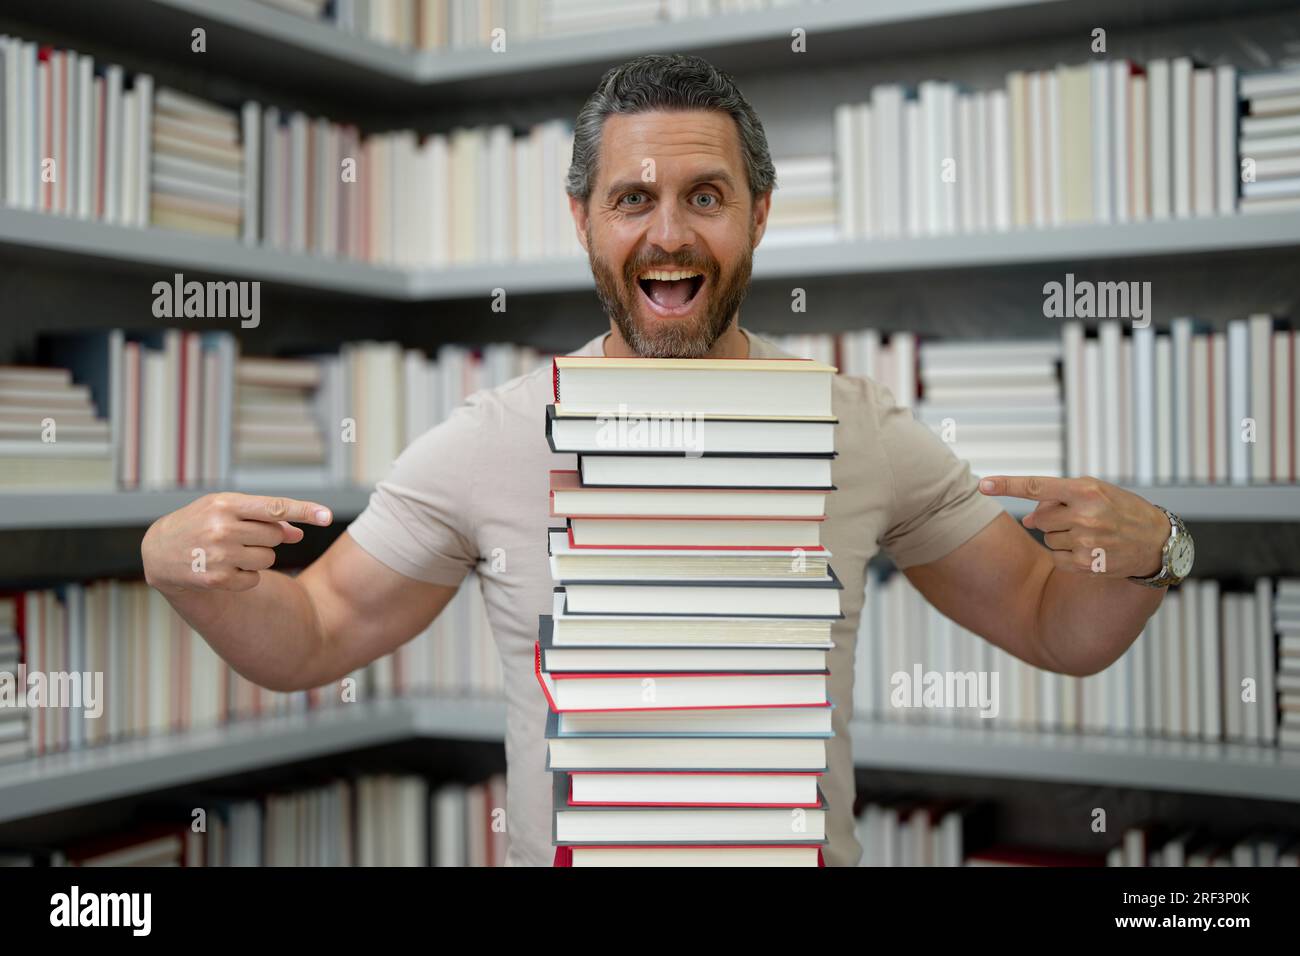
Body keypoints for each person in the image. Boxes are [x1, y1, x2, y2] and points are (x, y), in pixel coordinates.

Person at [141, 53, 1193, 866]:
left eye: (705, 195)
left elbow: (1053, 626)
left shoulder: (858, 425)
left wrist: (1157, 554)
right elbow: (313, 634)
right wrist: (179, 568)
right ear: (584, 221)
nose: (668, 235)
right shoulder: (494, 435)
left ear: (758, 215)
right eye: (633, 199)